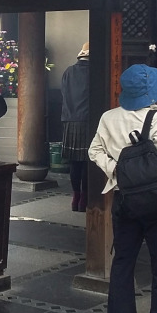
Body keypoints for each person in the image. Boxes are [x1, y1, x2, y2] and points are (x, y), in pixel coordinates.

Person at [88, 64, 157, 313]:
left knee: (122, 264)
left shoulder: (109, 117)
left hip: (125, 200)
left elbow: (94, 150)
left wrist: (116, 171)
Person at [61, 42, 91, 212]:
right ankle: (84, 199)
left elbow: (64, 95)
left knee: (75, 163)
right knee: (87, 162)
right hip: (87, 120)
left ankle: (75, 197)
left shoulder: (68, 71)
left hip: (70, 120)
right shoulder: (94, 72)